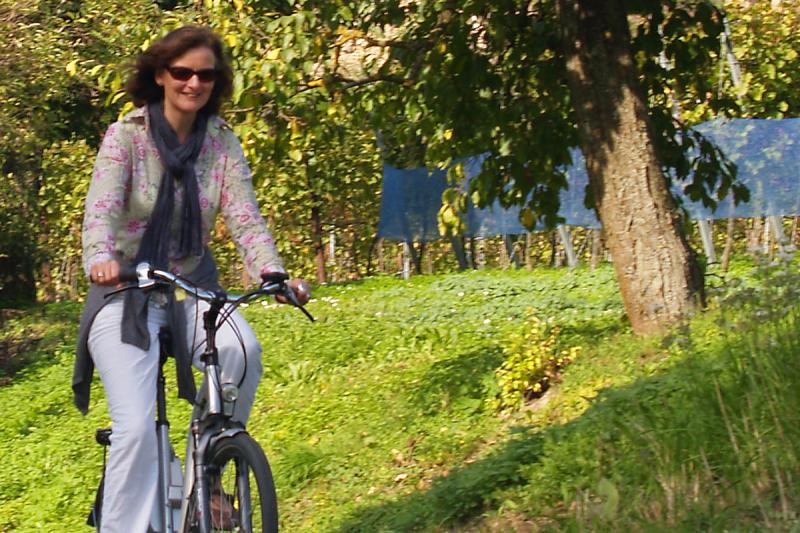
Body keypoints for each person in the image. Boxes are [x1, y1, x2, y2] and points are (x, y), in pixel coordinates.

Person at [72, 26, 309, 532]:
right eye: (182, 72)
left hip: (192, 287)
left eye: (205, 75)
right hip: (125, 293)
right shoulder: (126, 137)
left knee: (241, 350)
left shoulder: (221, 143)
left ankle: (210, 470)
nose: (193, 83)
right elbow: (101, 212)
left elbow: (245, 218)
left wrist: (272, 272)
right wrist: (101, 257)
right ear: (160, 75)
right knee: (136, 430)